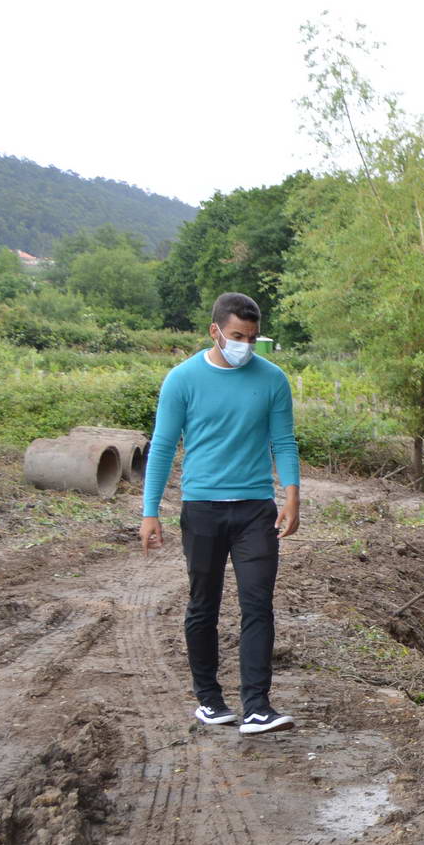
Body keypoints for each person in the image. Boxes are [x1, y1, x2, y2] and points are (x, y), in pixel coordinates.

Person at [139, 292, 301, 734]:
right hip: (203, 509)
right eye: (236, 336)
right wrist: (149, 511)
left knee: (257, 604)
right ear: (214, 331)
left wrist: (292, 495)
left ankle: (257, 707)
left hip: (254, 510)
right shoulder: (182, 380)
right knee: (203, 605)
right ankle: (209, 700)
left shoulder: (272, 380)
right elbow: (163, 447)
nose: (244, 345)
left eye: (251, 338)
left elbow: (283, 442)